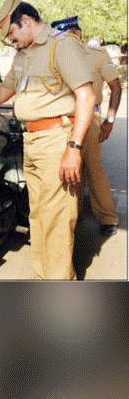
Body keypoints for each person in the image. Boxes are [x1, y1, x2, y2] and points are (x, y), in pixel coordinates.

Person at [0, 0, 95, 280]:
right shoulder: (22, 54)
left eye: (12, 33)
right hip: (32, 141)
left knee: (57, 219)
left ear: (26, 20)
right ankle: (43, 277)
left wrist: (74, 148)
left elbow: (86, 96)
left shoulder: (61, 46)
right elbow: (3, 92)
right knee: (38, 217)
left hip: (57, 140)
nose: (11, 41)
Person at [51, 16, 122, 237]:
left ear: (76, 33)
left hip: (89, 118)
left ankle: (107, 216)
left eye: (72, 33)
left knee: (93, 167)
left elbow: (116, 87)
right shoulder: (53, 55)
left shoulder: (96, 55)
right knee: (69, 169)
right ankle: (74, 213)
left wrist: (109, 120)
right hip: (61, 119)